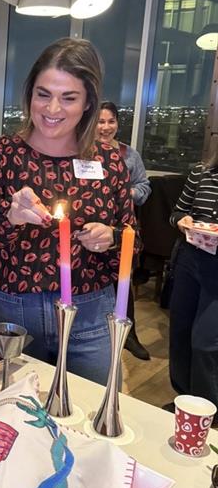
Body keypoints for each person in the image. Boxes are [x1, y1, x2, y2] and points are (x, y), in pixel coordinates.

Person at [0, 38, 138, 385]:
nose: (52, 108)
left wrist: (113, 238)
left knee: (91, 415)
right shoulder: (1, 153)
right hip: (12, 309)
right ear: (29, 94)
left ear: (89, 101)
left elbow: (133, 240)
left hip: (90, 313)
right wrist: (10, 215)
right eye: (43, 94)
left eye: (69, 97)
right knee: (9, 413)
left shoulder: (109, 161)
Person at [96, 100, 151, 360]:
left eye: (111, 121)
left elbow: (144, 186)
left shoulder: (129, 154)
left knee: (123, 281)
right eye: (100, 121)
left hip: (121, 228)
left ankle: (129, 334)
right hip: (90, 230)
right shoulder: (81, 151)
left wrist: (126, 192)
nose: (105, 127)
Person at [169, 144, 218, 411]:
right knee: (180, 330)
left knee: (205, 341)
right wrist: (182, 220)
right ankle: (183, 400)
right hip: (191, 260)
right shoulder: (201, 173)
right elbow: (176, 212)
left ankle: (207, 409)